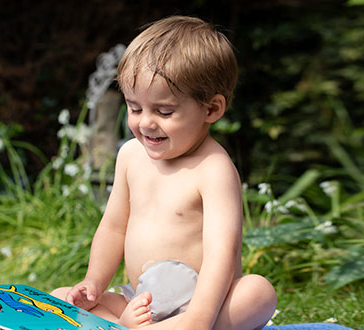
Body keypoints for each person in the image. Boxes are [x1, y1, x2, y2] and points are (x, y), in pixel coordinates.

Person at [50, 15, 277, 329]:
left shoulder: (214, 169)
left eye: (164, 111)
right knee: (61, 297)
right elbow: (114, 228)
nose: (145, 122)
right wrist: (94, 283)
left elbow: (222, 252)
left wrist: (199, 315)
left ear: (211, 109)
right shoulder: (130, 155)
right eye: (134, 107)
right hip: (140, 300)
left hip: (204, 306)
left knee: (258, 293)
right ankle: (132, 326)